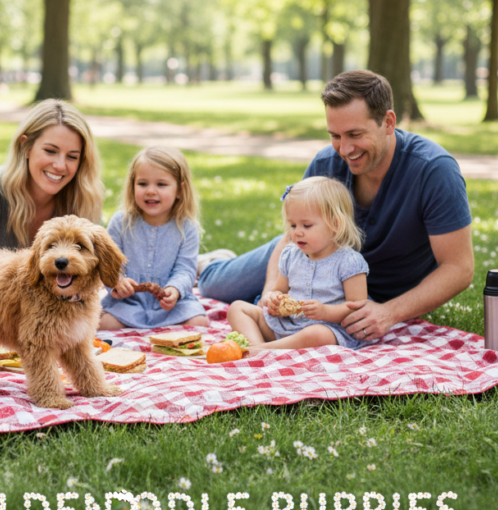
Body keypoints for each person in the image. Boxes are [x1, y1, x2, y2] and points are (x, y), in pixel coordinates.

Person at [199, 70, 474, 343]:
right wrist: (273, 292)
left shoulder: (434, 171)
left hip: (368, 290)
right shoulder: (325, 164)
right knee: (212, 285)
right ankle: (208, 263)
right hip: (309, 252)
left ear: (388, 122)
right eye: (335, 135)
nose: (344, 149)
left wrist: (389, 312)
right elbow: (291, 239)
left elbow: (459, 267)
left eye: (355, 134)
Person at [0, 99, 104, 255]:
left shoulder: (84, 200)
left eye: (72, 157)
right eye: (50, 151)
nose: (60, 165)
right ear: (25, 146)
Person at [227, 176, 370, 350]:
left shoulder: (349, 261)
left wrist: (326, 312)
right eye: (293, 225)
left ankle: (264, 350)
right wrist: (273, 299)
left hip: (326, 330)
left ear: (335, 224)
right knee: (237, 308)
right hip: (286, 326)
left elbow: (357, 308)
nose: (297, 233)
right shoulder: (290, 254)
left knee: (316, 334)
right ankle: (258, 347)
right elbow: (279, 289)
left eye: (307, 226)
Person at [99, 146, 208, 330]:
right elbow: (108, 263)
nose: (150, 191)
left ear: (180, 190)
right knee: (104, 323)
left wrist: (174, 290)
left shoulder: (186, 227)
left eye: (161, 184)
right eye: (142, 184)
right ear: (132, 185)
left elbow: (186, 269)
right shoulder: (121, 222)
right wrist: (117, 281)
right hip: (128, 303)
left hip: (170, 306)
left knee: (199, 322)